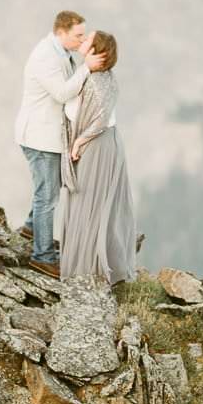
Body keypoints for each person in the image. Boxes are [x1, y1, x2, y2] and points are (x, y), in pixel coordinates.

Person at [14, 10, 105, 278]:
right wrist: (87, 67)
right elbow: (62, 92)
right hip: (40, 138)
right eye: (78, 35)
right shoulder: (46, 58)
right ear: (61, 32)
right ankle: (42, 256)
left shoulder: (60, 52)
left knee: (48, 188)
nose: (82, 40)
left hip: (47, 136)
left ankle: (32, 228)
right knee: (48, 196)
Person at [60, 31, 137, 287]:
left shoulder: (98, 81)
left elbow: (101, 119)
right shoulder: (92, 75)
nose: (82, 42)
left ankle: (90, 270)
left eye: (87, 40)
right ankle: (87, 268)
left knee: (89, 203)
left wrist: (80, 142)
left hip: (98, 145)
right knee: (87, 203)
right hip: (100, 143)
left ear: (96, 50)